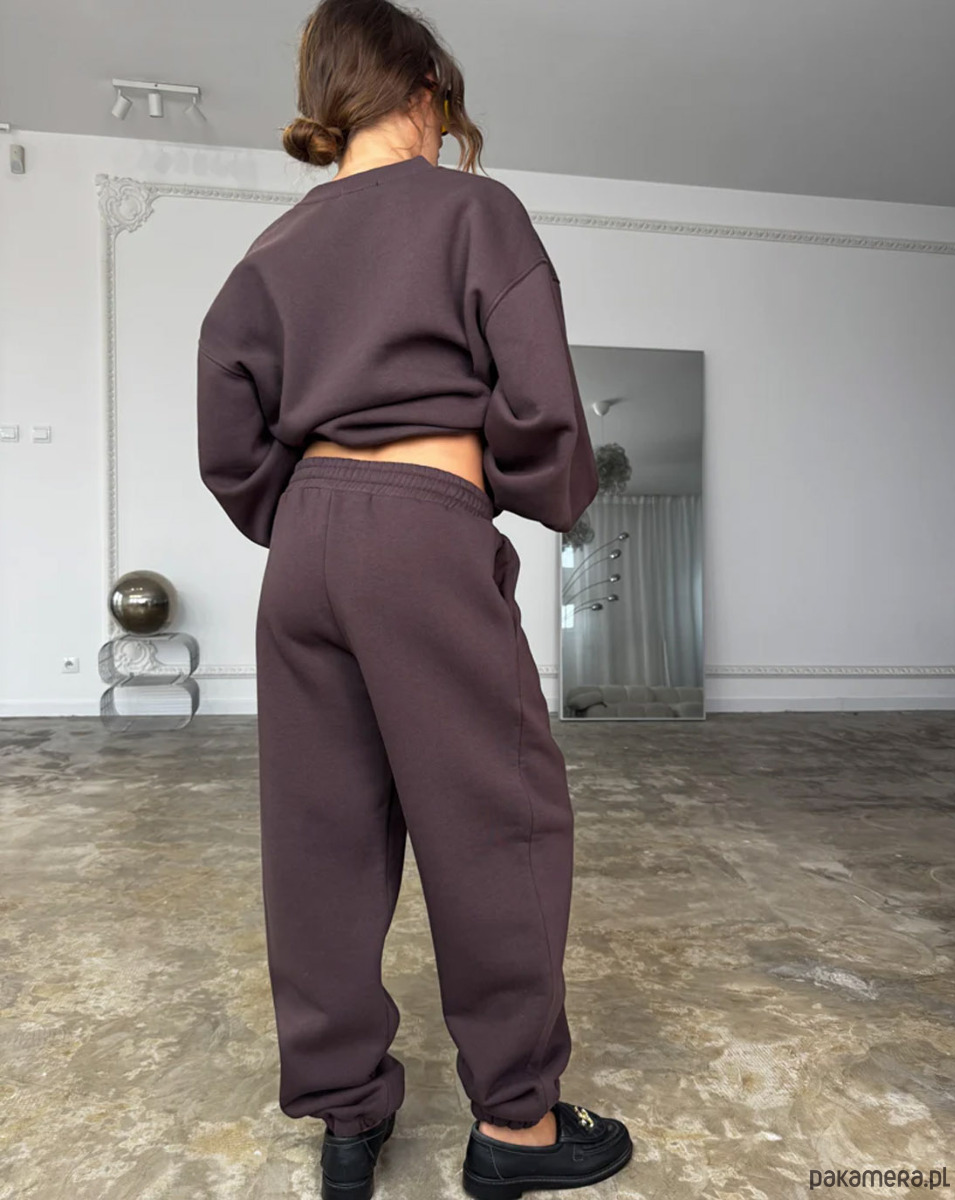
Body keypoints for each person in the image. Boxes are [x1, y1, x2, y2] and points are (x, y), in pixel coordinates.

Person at [196, 1, 633, 1196]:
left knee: (320, 834)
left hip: (305, 552)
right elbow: (542, 409)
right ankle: (518, 1129)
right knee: (497, 819)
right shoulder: (472, 212)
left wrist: (306, 517)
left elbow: (229, 434)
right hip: (421, 536)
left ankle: (346, 1120)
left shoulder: (271, 250)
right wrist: (532, 487)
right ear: (424, 91)